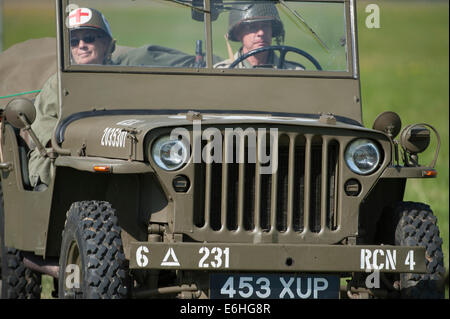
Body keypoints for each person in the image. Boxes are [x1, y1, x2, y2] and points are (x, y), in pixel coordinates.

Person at [28, 7, 116, 191]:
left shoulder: (124, 78)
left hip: (116, 153)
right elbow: (41, 123)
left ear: (108, 44)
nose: (81, 45)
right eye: (74, 42)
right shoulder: (57, 83)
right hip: (65, 155)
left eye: (89, 39)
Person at [215, 2, 301, 69]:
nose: (261, 33)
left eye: (265, 25)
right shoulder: (222, 73)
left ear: (272, 31)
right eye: (252, 27)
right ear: (238, 33)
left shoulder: (294, 72)